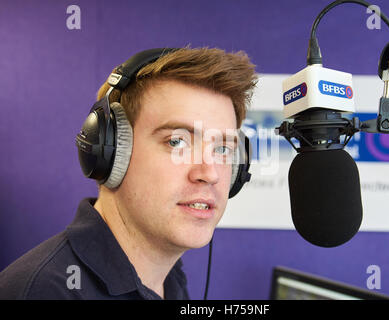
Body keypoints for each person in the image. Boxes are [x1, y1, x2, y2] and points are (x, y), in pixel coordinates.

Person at [0, 47, 257, 299]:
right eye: (177, 142)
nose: (209, 173)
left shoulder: (169, 279)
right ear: (111, 151)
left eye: (223, 148)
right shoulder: (45, 291)